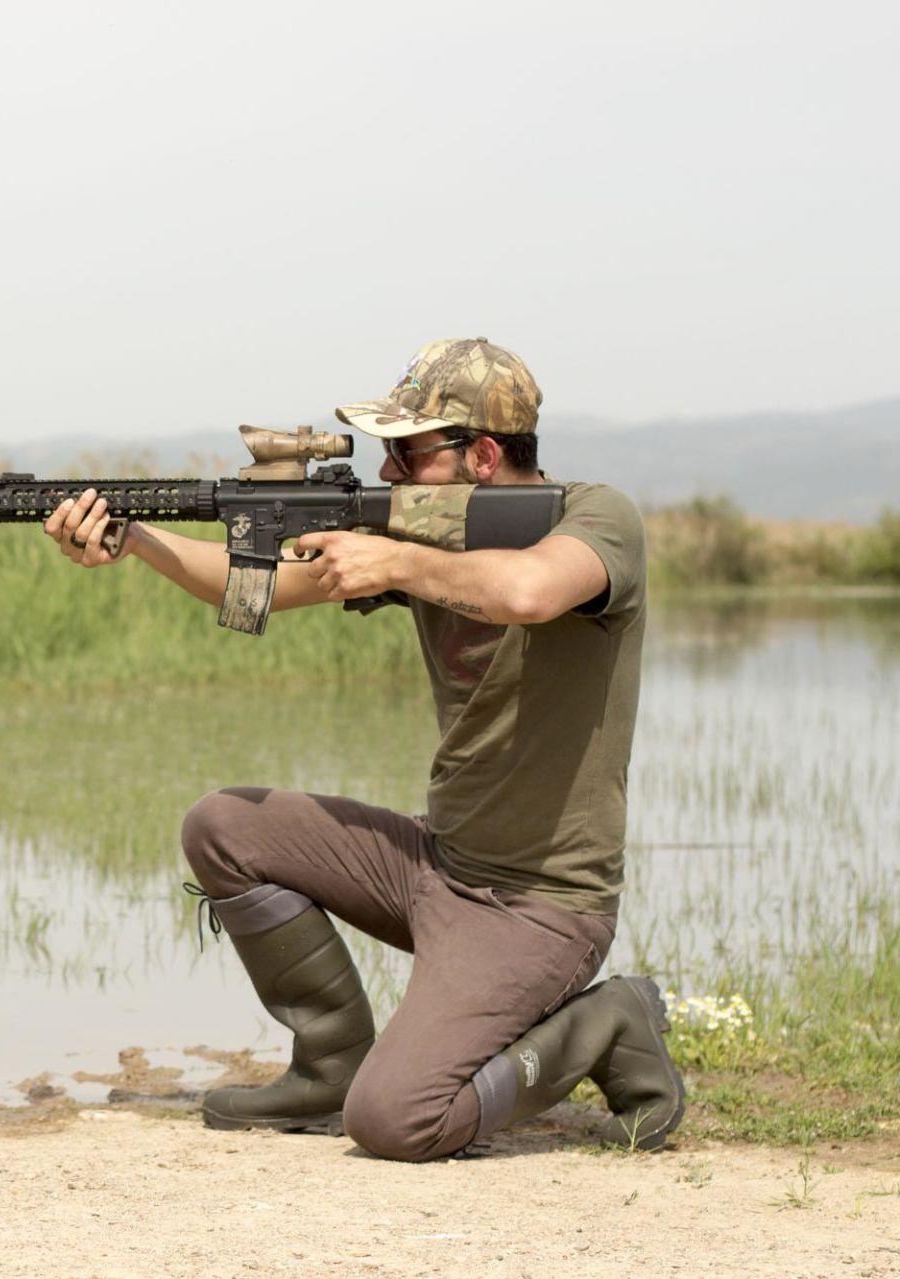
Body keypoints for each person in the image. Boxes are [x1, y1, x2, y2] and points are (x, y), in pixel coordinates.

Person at [42, 338, 684, 1161]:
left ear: (484, 456)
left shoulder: (596, 518)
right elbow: (256, 590)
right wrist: (135, 540)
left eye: (408, 454)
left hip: (540, 905)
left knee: (396, 1119)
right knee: (223, 826)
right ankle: (329, 1065)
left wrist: (398, 561)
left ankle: (608, 1021)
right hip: (438, 863)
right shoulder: (419, 540)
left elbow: (530, 591)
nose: (387, 474)